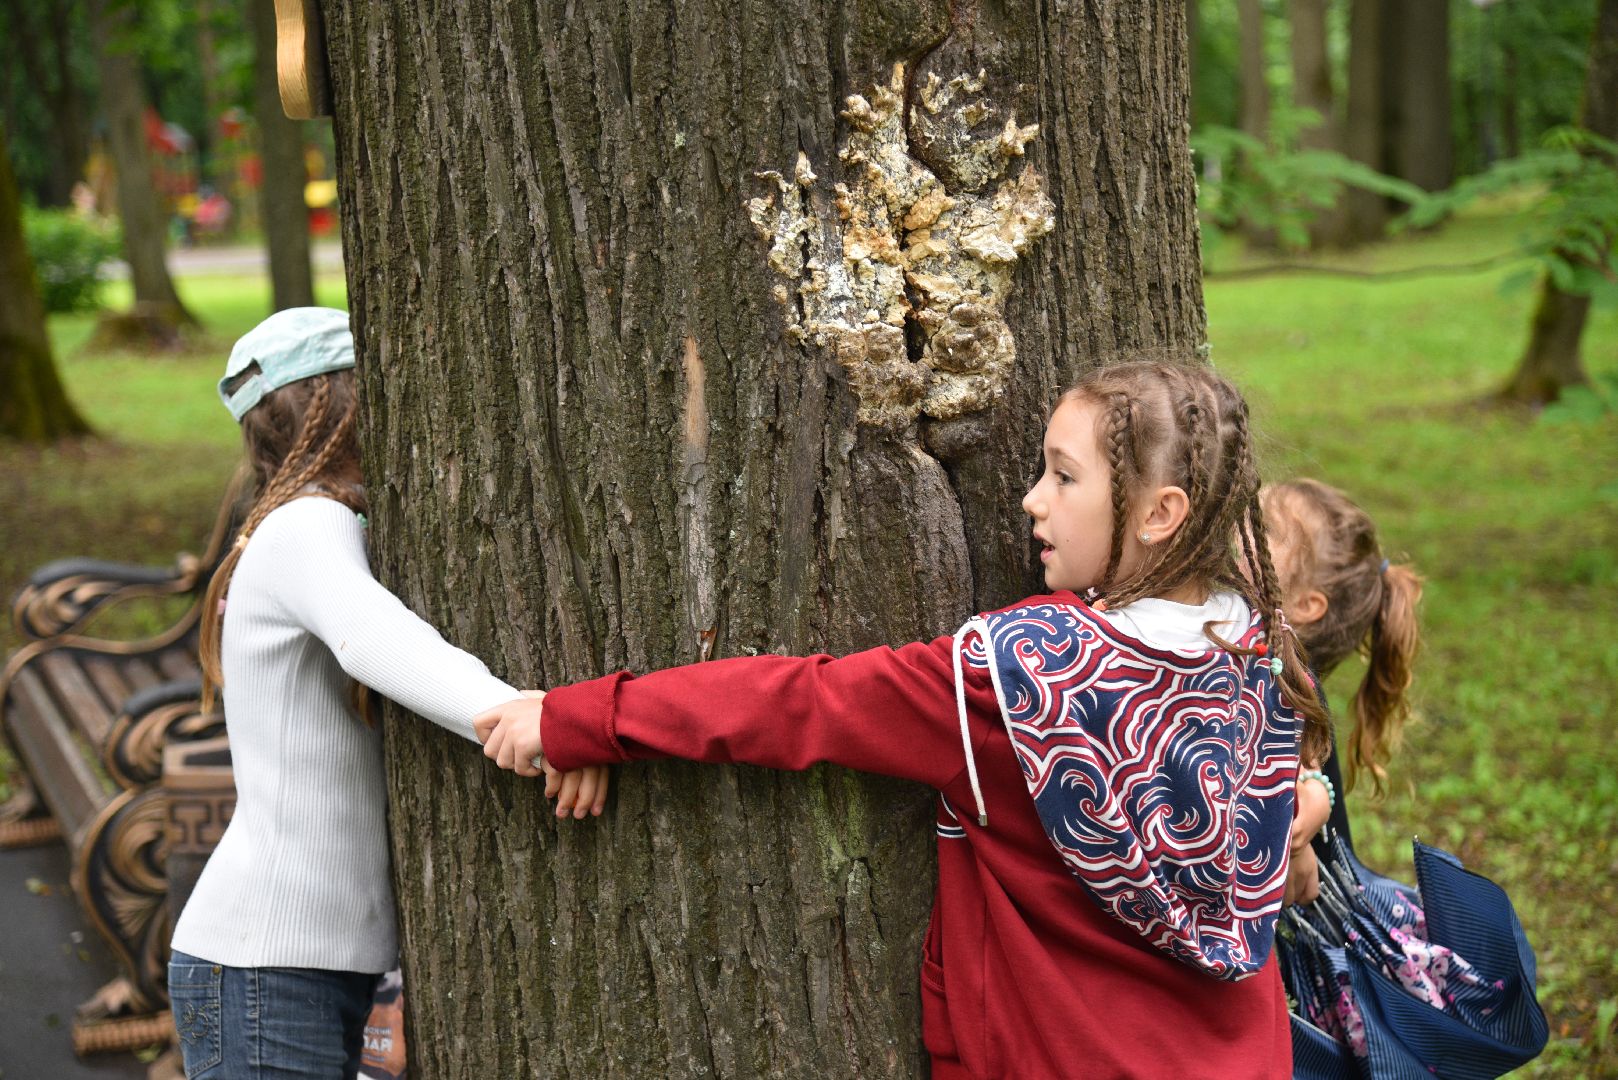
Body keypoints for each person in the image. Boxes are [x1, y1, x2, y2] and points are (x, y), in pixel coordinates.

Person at [477, 360, 1328, 1079]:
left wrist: (585, 717)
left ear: (1159, 513)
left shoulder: (1012, 679)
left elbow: (800, 702)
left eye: (1064, 477)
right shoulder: (1258, 653)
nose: (1031, 500)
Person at [167, 308, 609, 1079]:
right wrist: (536, 722)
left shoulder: (290, 526)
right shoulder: (306, 526)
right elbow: (376, 640)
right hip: (266, 964)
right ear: (343, 401)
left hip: (288, 964)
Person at [1263, 478, 1423, 903]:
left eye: (1265, 527)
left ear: (1305, 605)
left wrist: (1312, 792)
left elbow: (1302, 779)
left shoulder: (1287, 680)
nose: (1241, 524)